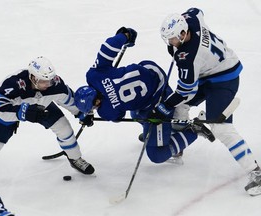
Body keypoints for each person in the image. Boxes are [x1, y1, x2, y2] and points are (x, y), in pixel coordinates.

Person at [154, 7, 261, 196]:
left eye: (172, 38)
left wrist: (167, 105)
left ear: (182, 33)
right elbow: (197, 10)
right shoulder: (191, 19)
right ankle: (178, 149)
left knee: (220, 127)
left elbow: (186, 91)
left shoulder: (189, 57)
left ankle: (256, 172)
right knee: (180, 106)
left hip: (225, 78)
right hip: (208, 70)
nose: (170, 43)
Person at [74, 27, 215, 166]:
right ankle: (160, 132)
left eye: (94, 106)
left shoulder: (106, 111)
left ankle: (193, 130)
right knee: (136, 112)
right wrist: (125, 36)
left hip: (158, 102)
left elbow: (118, 116)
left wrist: (91, 114)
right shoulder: (93, 75)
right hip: (152, 71)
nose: (95, 108)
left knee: (156, 154)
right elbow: (107, 50)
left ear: (96, 100)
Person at [0, 56, 95, 191]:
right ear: (32, 77)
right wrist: (22, 112)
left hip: (42, 106)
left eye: (49, 80)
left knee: (64, 128)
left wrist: (82, 113)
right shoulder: (13, 82)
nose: (48, 84)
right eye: (43, 81)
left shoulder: (55, 83)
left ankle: (75, 158)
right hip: (14, 109)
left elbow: (69, 99)